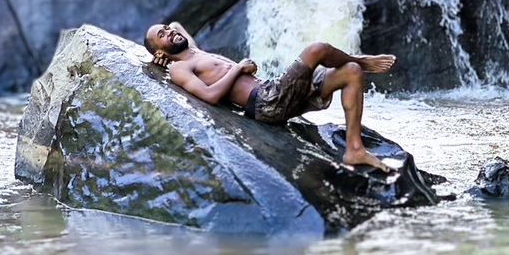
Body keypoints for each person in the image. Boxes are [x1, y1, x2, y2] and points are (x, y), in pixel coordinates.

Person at [144, 22, 396, 172]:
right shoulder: (179, 68)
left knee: (349, 73)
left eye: (166, 30)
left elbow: (176, 25)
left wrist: (163, 46)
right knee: (317, 50)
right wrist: (237, 68)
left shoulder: (192, 50)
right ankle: (361, 60)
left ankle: (354, 149)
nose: (169, 33)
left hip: (275, 91)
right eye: (162, 37)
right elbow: (209, 96)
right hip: (266, 102)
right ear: (159, 49)